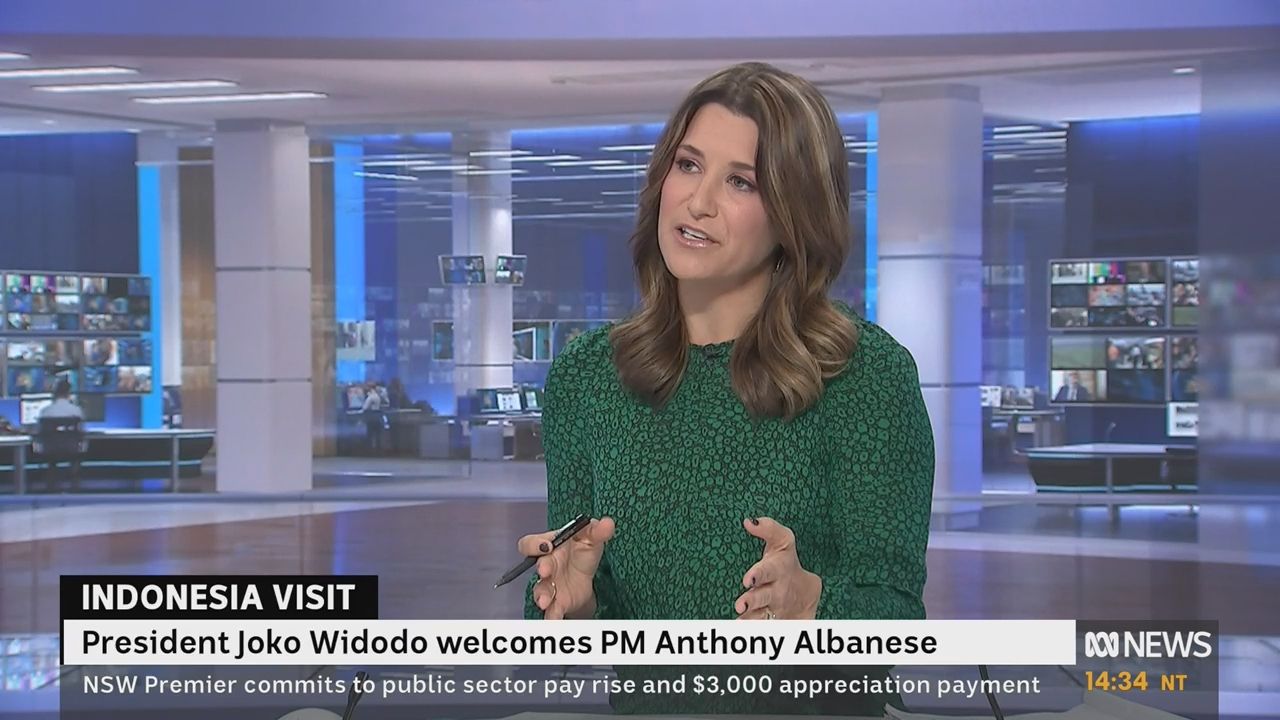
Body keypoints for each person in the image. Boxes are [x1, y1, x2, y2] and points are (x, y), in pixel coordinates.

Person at [516, 62, 935, 716]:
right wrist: (575, 601)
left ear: (793, 214)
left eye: (740, 181)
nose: (698, 202)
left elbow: (897, 618)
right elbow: (579, 613)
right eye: (688, 165)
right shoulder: (589, 376)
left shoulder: (864, 375)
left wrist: (812, 605)